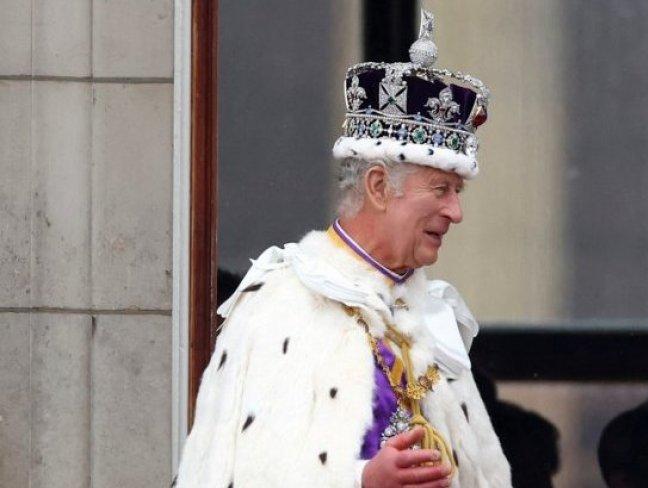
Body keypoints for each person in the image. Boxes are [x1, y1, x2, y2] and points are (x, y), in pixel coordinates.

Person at [175, 11, 511, 488]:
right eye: (440, 189)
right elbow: (238, 475)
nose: (456, 212)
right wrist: (362, 479)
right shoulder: (284, 302)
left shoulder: (427, 312)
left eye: (458, 192)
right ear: (378, 186)